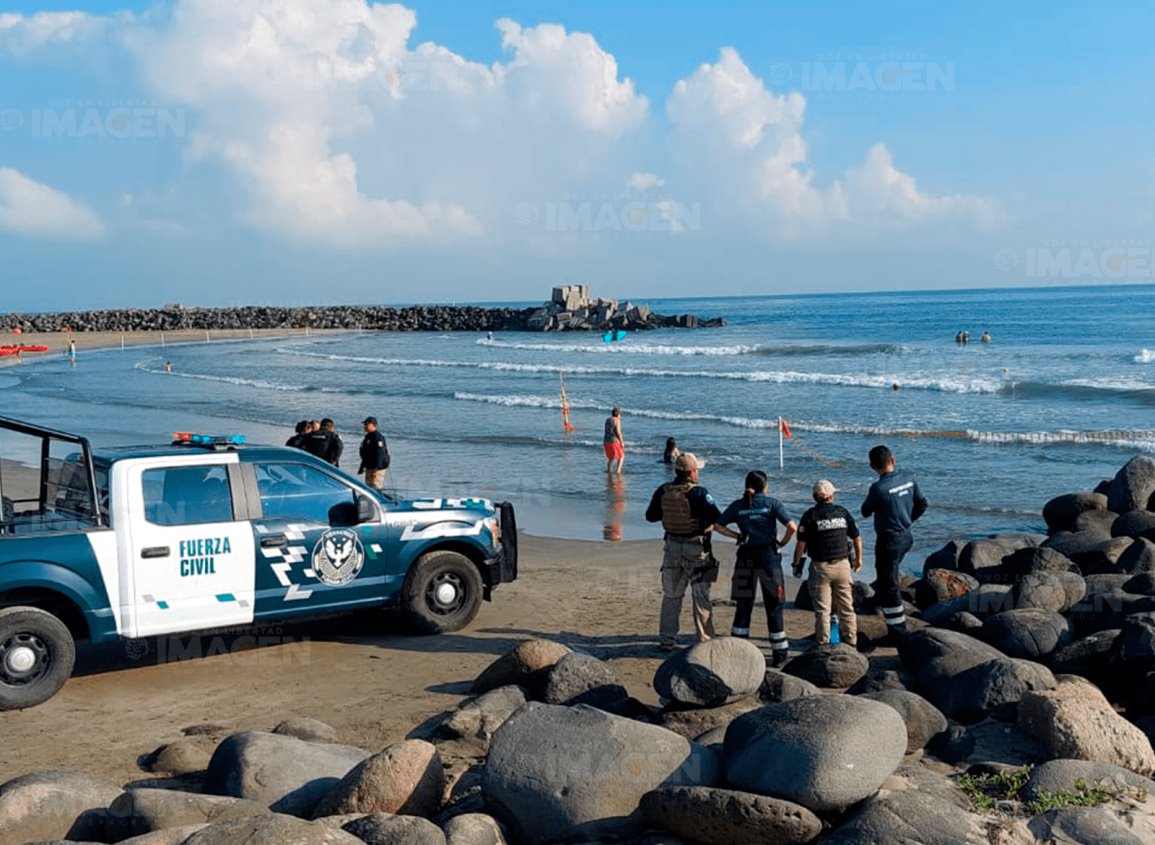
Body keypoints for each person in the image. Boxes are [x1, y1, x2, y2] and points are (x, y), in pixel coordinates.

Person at [716, 470, 797, 666]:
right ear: (765, 486)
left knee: (744, 605)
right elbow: (792, 527)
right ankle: (779, 654)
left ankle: (739, 649)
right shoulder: (772, 504)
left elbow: (717, 525)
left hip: (745, 556)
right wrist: (782, 543)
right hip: (768, 557)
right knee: (774, 605)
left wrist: (736, 536)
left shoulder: (738, 505)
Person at [645, 452, 721, 651]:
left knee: (671, 596)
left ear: (676, 471)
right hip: (696, 549)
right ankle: (705, 639)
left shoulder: (663, 490)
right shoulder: (700, 493)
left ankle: (667, 639)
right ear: (692, 472)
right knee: (701, 596)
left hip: (671, 548)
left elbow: (651, 516)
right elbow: (717, 518)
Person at [861, 445, 928, 639]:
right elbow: (923, 504)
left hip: (889, 539)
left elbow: (865, 511)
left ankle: (898, 630)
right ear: (893, 460)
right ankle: (878, 603)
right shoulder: (909, 478)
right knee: (887, 575)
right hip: (906, 535)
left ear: (872, 466)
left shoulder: (878, 488)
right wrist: (908, 518)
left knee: (889, 583)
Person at [792, 480, 862, 647]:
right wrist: (859, 559)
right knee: (846, 607)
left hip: (820, 567)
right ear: (831, 496)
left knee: (823, 610)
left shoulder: (810, 516)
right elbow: (856, 538)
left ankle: (823, 643)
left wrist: (796, 564)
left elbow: (801, 544)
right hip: (843, 565)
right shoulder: (842, 513)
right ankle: (851, 641)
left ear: (815, 497)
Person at [358, 416, 390, 490]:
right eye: (364, 424)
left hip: (377, 468)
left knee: (375, 486)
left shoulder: (377, 438)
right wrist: (362, 467)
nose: (365, 426)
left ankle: (378, 501)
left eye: (367, 424)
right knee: (369, 486)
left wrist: (375, 470)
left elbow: (379, 454)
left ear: (374, 425)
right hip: (369, 466)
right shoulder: (368, 437)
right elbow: (365, 454)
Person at [604, 407, 625, 474]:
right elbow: (618, 432)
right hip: (614, 441)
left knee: (611, 458)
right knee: (621, 456)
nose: (620, 416)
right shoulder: (617, 420)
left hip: (606, 441)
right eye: (620, 414)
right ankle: (618, 471)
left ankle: (609, 470)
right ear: (617, 414)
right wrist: (622, 441)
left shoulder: (607, 420)